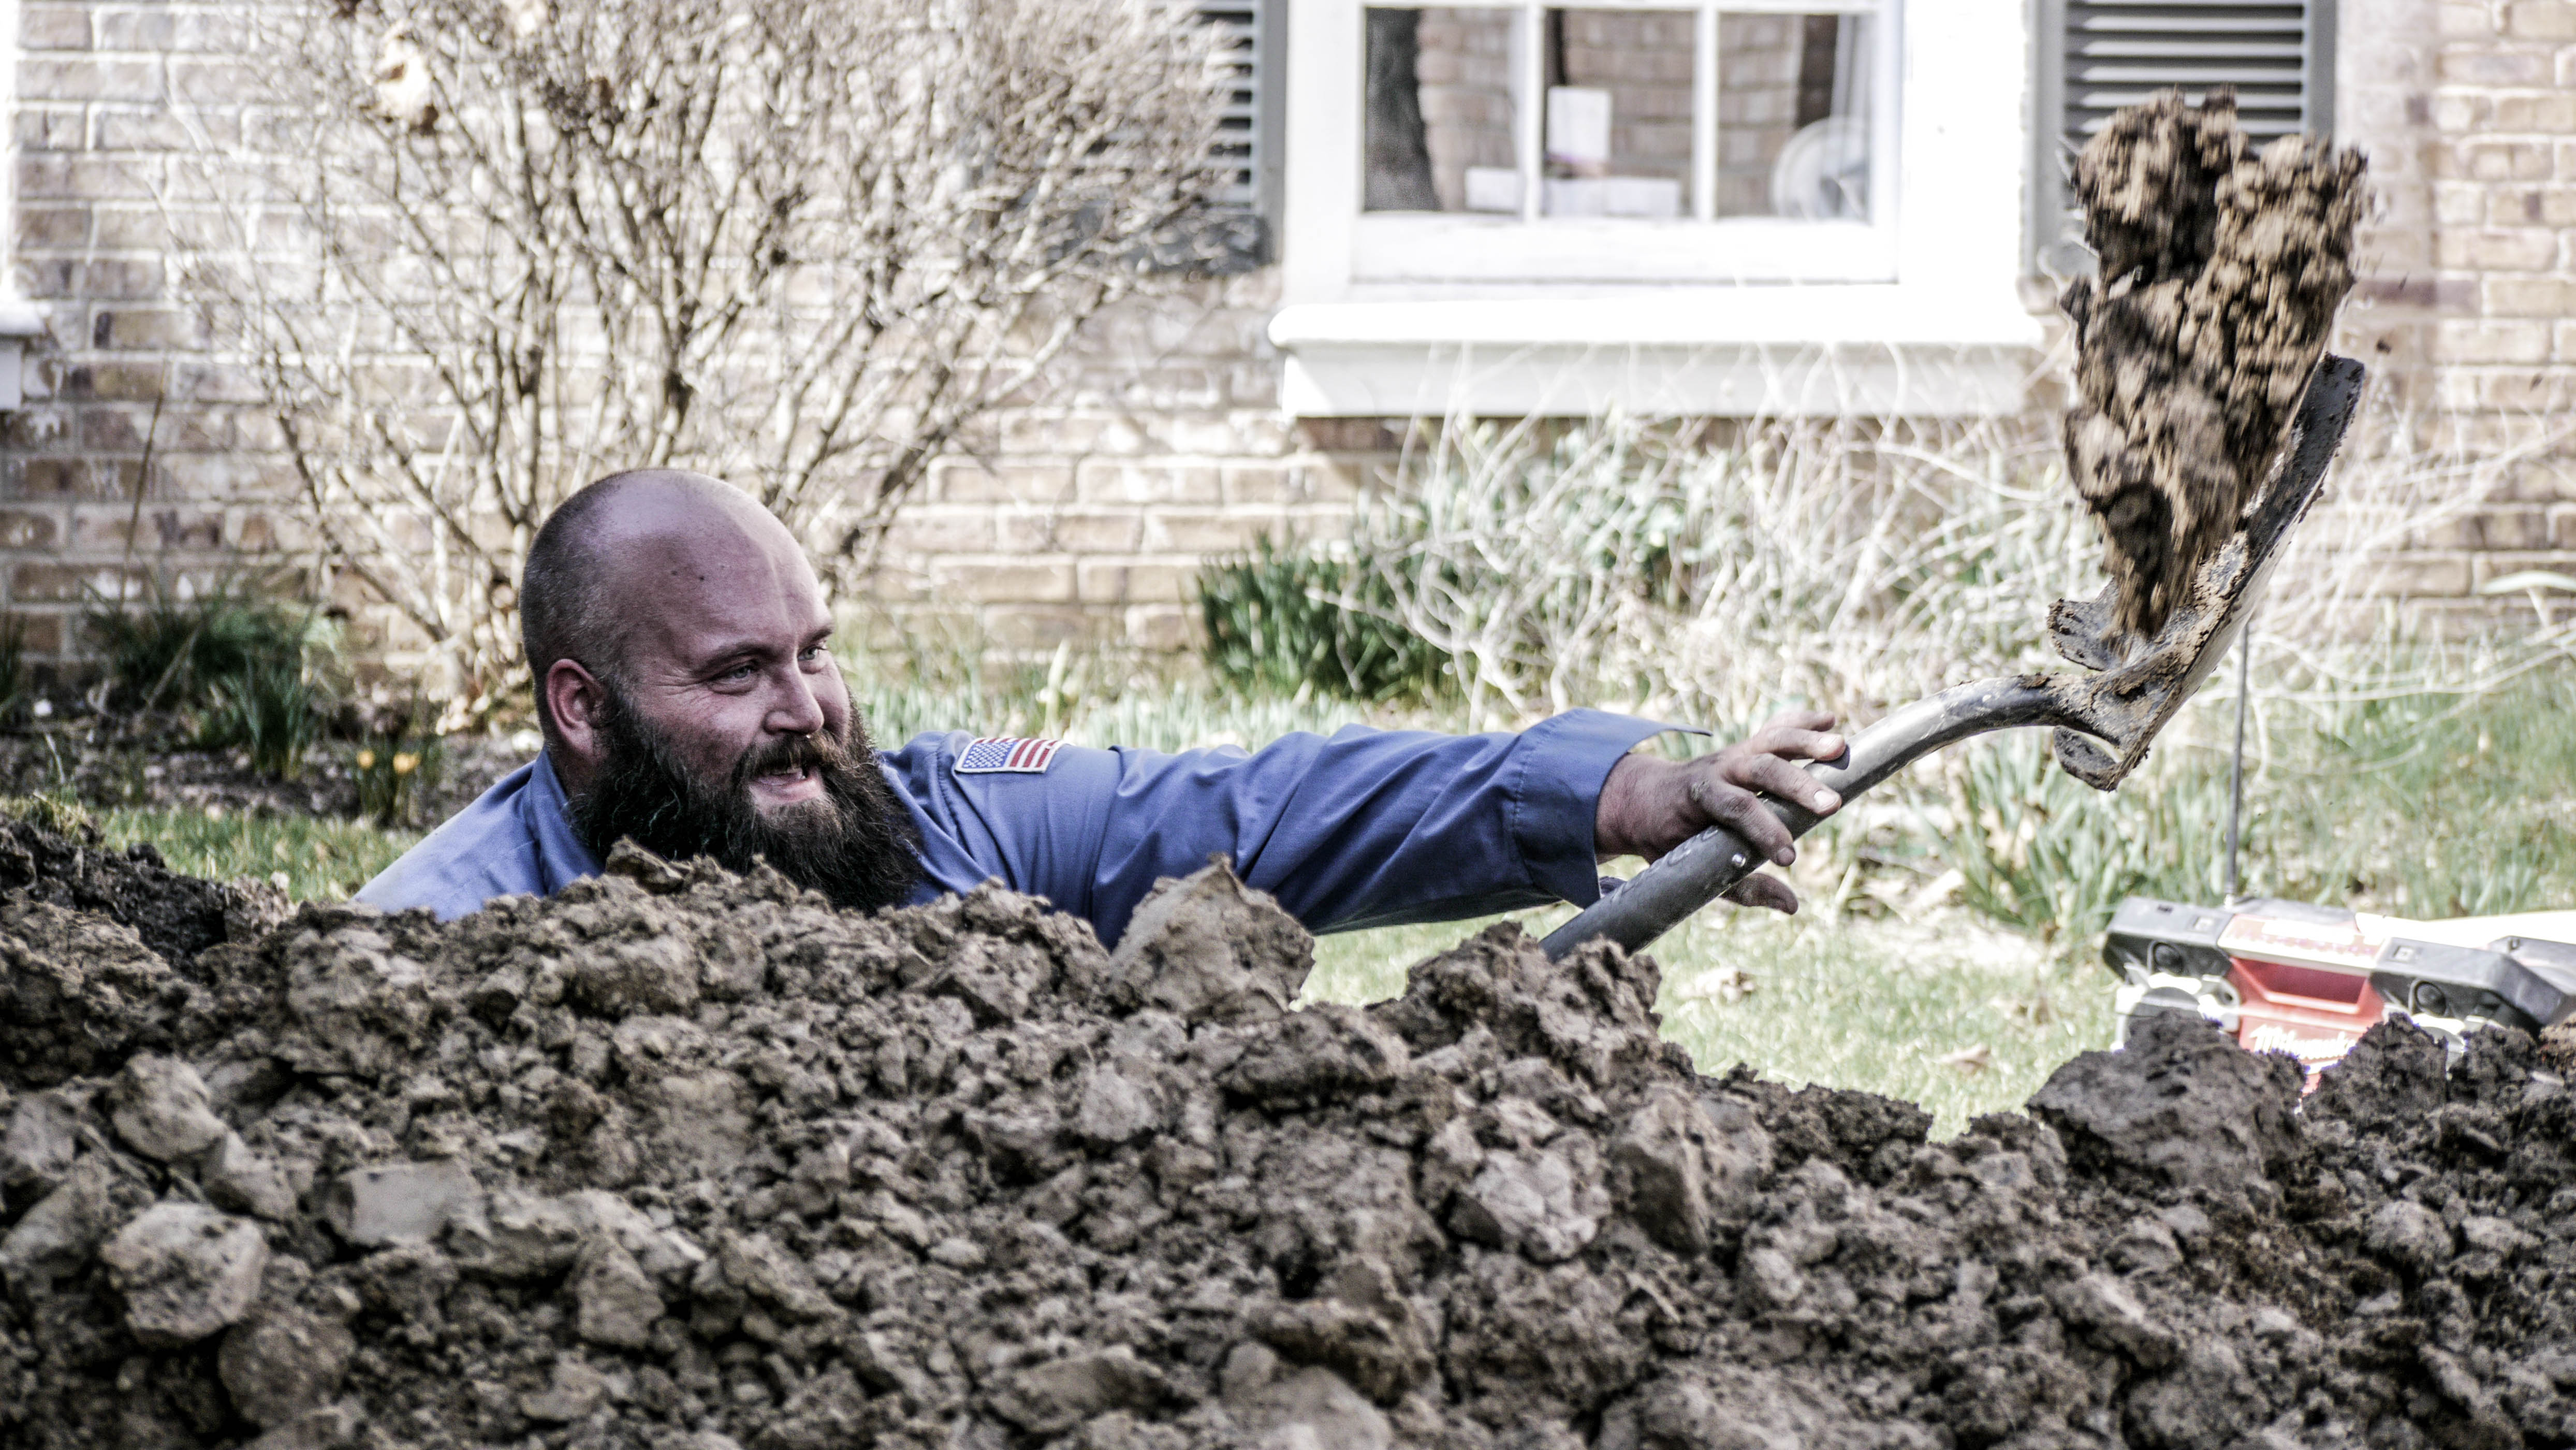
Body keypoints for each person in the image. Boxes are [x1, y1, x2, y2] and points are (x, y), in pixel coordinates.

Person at [358, 470, 1846, 948]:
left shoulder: (950, 820)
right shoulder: (430, 946)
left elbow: (1255, 813)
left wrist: (1612, 794)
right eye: (739, 675)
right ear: (584, 709)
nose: (809, 708)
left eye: (815, 652)